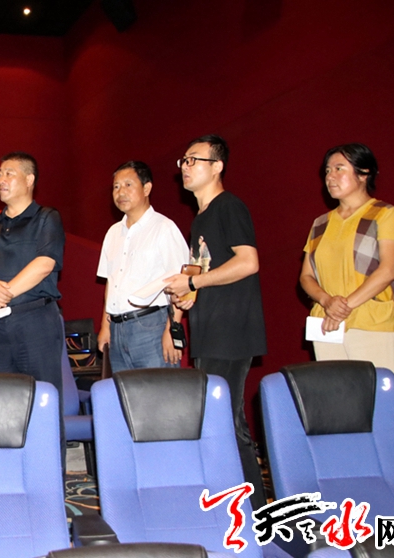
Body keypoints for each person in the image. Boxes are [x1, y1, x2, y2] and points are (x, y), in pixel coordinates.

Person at [163, 135, 268, 509]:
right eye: (184, 160)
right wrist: (189, 294)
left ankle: (258, 513)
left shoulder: (228, 207)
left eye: (194, 159)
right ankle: (235, 504)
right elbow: (208, 273)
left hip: (231, 330)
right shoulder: (201, 220)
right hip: (209, 330)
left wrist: (194, 283)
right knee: (219, 420)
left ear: (218, 166)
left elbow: (248, 262)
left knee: (229, 422)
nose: (186, 166)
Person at [0, 152, 66, 445]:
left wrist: (0, 298)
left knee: (43, 406)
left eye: (9, 173)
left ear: (29, 180)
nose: (1, 180)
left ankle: (48, 473)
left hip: (34, 322)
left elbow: (44, 263)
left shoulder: (47, 218)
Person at [299, 143, 394, 386]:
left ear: (363, 174)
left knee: (377, 400)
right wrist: (327, 302)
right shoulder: (320, 223)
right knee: (336, 402)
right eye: (327, 171)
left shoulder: (385, 213)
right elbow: (306, 276)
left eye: (339, 169)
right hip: (326, 326)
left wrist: (343, 308)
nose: (330, 177)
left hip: (371, 323)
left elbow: (389, 270)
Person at [97, 161, 188, 372]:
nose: (120, 192)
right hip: (117, 329)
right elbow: (112, 283)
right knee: (124, 392)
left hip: (152, 326)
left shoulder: (164, 228)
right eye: (116, 186)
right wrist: (105, 326)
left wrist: (172, 329)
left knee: (159, 391)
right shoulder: (112, 233)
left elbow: (181, 282)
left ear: (147, 188)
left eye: (128, 185)